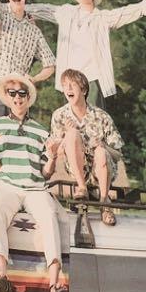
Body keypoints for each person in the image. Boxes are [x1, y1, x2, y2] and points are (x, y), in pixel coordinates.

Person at [26, 0, 146, 108]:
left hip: (91, 79)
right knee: (70, 117)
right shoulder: (66, 12)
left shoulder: (101, 18)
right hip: (69, 79)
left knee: (94, 116)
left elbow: (123, 13)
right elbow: (44, 9)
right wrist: (20, 8)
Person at [0, 74, 66, 292]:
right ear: (7, 97)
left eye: (22, 93)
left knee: (49, 215)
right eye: (12, 93)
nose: (17, 98)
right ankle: (2, 275)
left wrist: (53, 156)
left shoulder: (40, 131)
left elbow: (46, 173)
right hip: (7, 184)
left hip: (35, 188)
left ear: (28, 97)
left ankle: (54, 284)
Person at [45, 68, 124, 222]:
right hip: (76, 170)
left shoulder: (101, 116)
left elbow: (118, 154)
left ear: (84, 90)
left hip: (102, 170)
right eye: (65, 85)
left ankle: (104, 203)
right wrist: (65, 137)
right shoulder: (59, 116)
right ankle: (82, 188)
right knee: (72, 134)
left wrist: (103, 145)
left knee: (101, 152)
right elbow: (57, 153)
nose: (68, 89)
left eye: (72, 85)